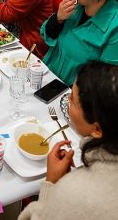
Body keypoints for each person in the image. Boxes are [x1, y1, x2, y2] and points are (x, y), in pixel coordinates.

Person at [19, 61, 118, 220]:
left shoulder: (75, 192)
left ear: (98, 130)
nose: (66, 100)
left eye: (72, 100)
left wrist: (51, 184)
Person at [41, 0, 118, 86]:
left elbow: (105, 84)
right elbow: (46, 35)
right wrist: (58, 18)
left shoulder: (113, 28)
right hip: (49, 77)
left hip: (76, 94)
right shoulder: (76, 6)